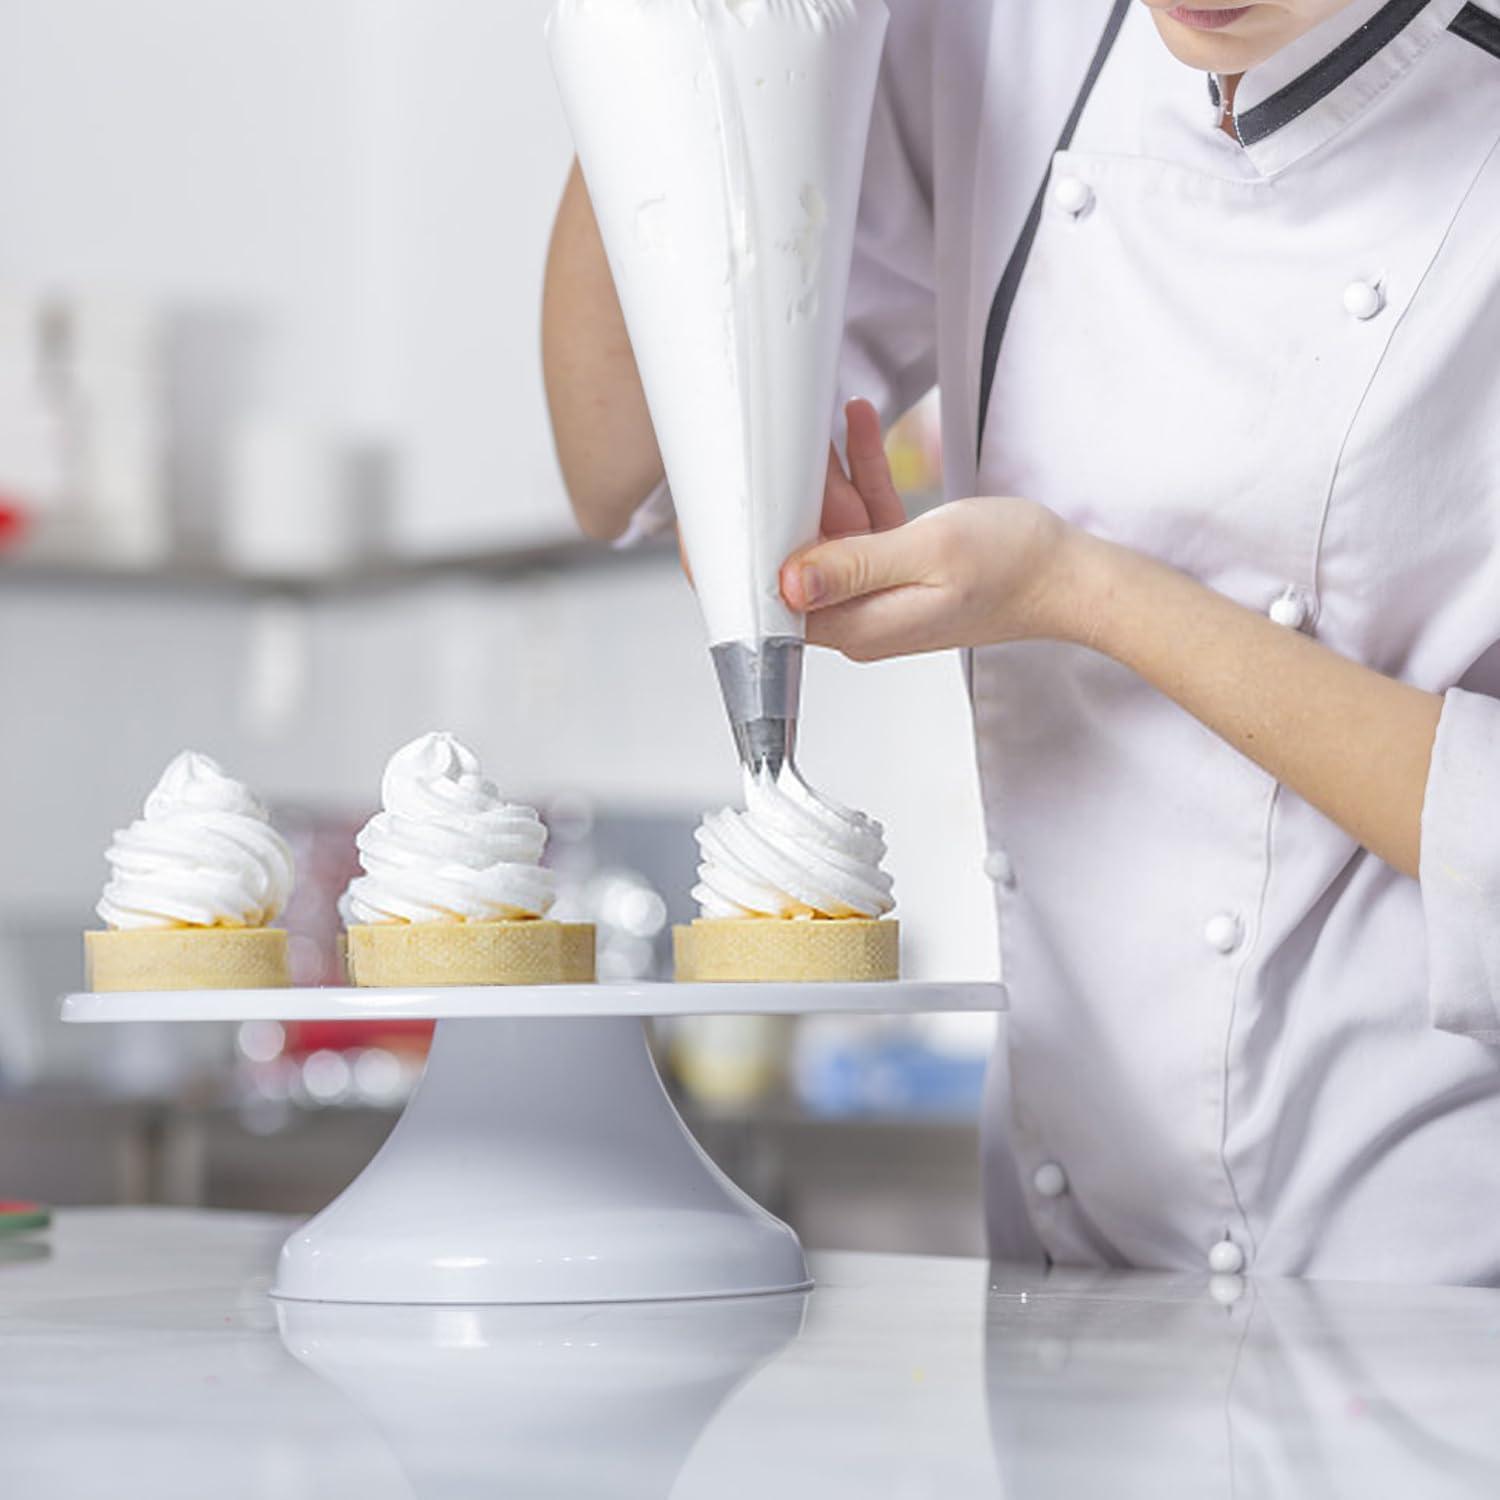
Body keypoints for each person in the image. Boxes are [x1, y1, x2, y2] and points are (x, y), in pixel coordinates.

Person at [543, 0, 1500, 1284]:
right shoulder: (997, 32)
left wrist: (1077, 591)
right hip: (1068, 1284)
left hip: (1438, 1300)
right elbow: (619, 463)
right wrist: (663, 43)